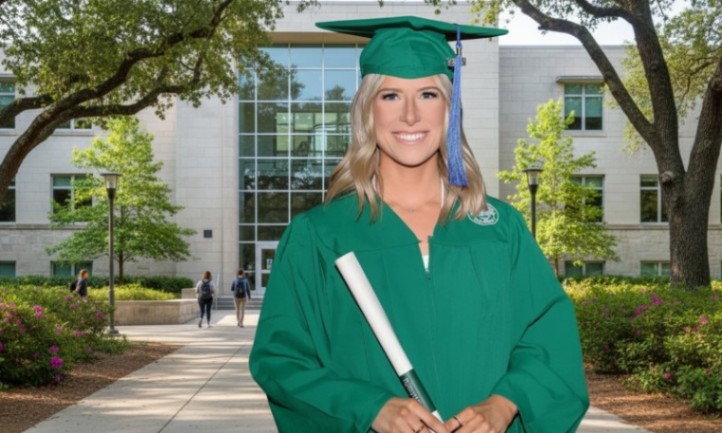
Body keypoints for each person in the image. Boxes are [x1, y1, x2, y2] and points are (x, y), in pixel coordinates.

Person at [250, 16, 589, 433]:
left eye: (428, 94)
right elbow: (281, 361)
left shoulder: (500, 230)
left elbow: (547, 340)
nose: (410, 115)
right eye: (391, 95)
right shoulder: (321, 236)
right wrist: (369, 408)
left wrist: (504, 403)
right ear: (367, 110)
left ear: (449, 107)